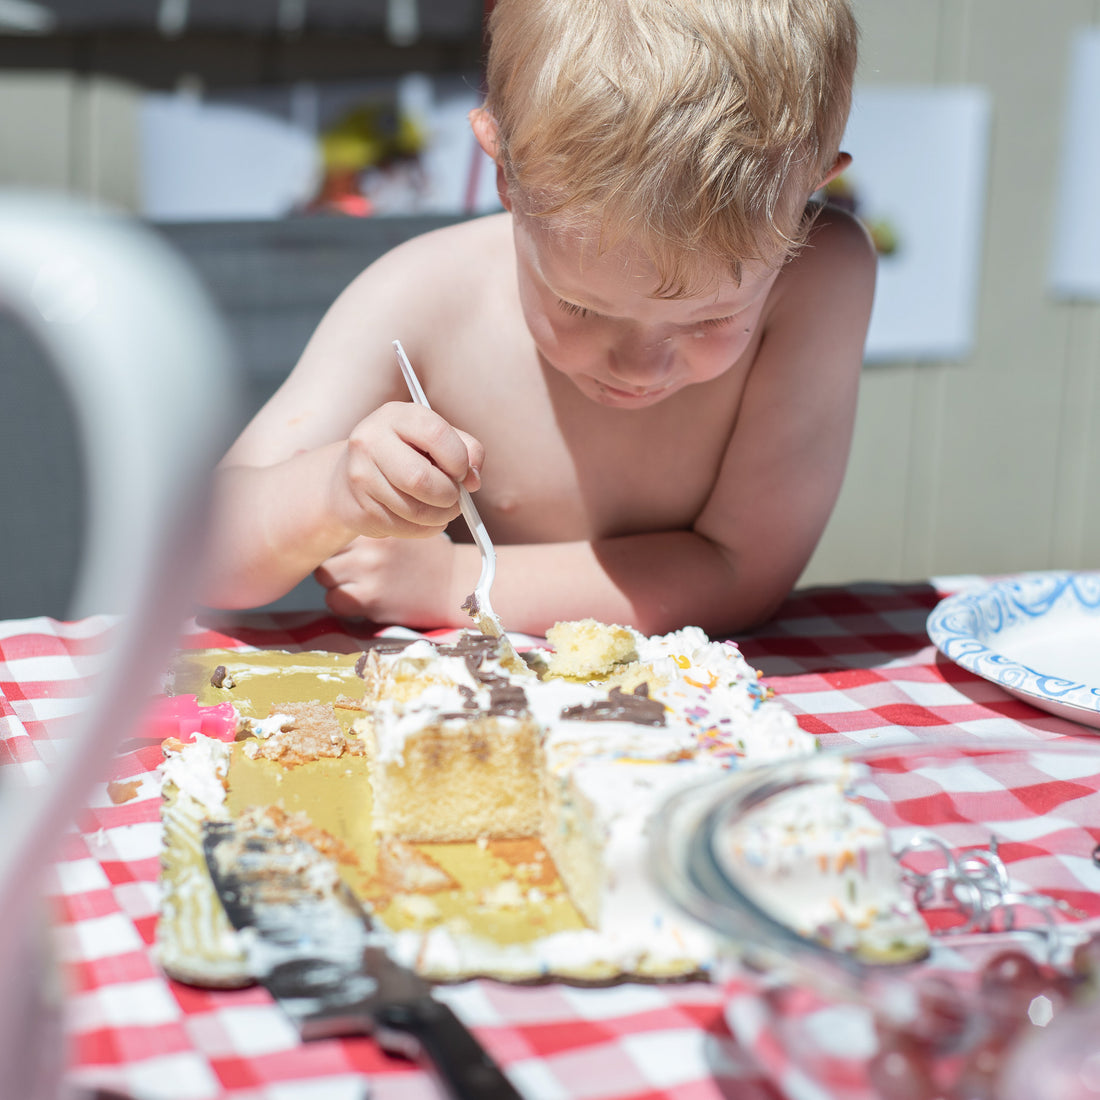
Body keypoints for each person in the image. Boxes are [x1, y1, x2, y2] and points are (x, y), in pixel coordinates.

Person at [200, 0, 875, 638]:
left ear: (811, 191)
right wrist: (331, 492)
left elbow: (741, 574)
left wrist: (457, 582)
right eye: (582, 306)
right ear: (504, 173)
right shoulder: (424, 298)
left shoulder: (818, 278)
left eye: (712, 318)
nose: (641, 367)